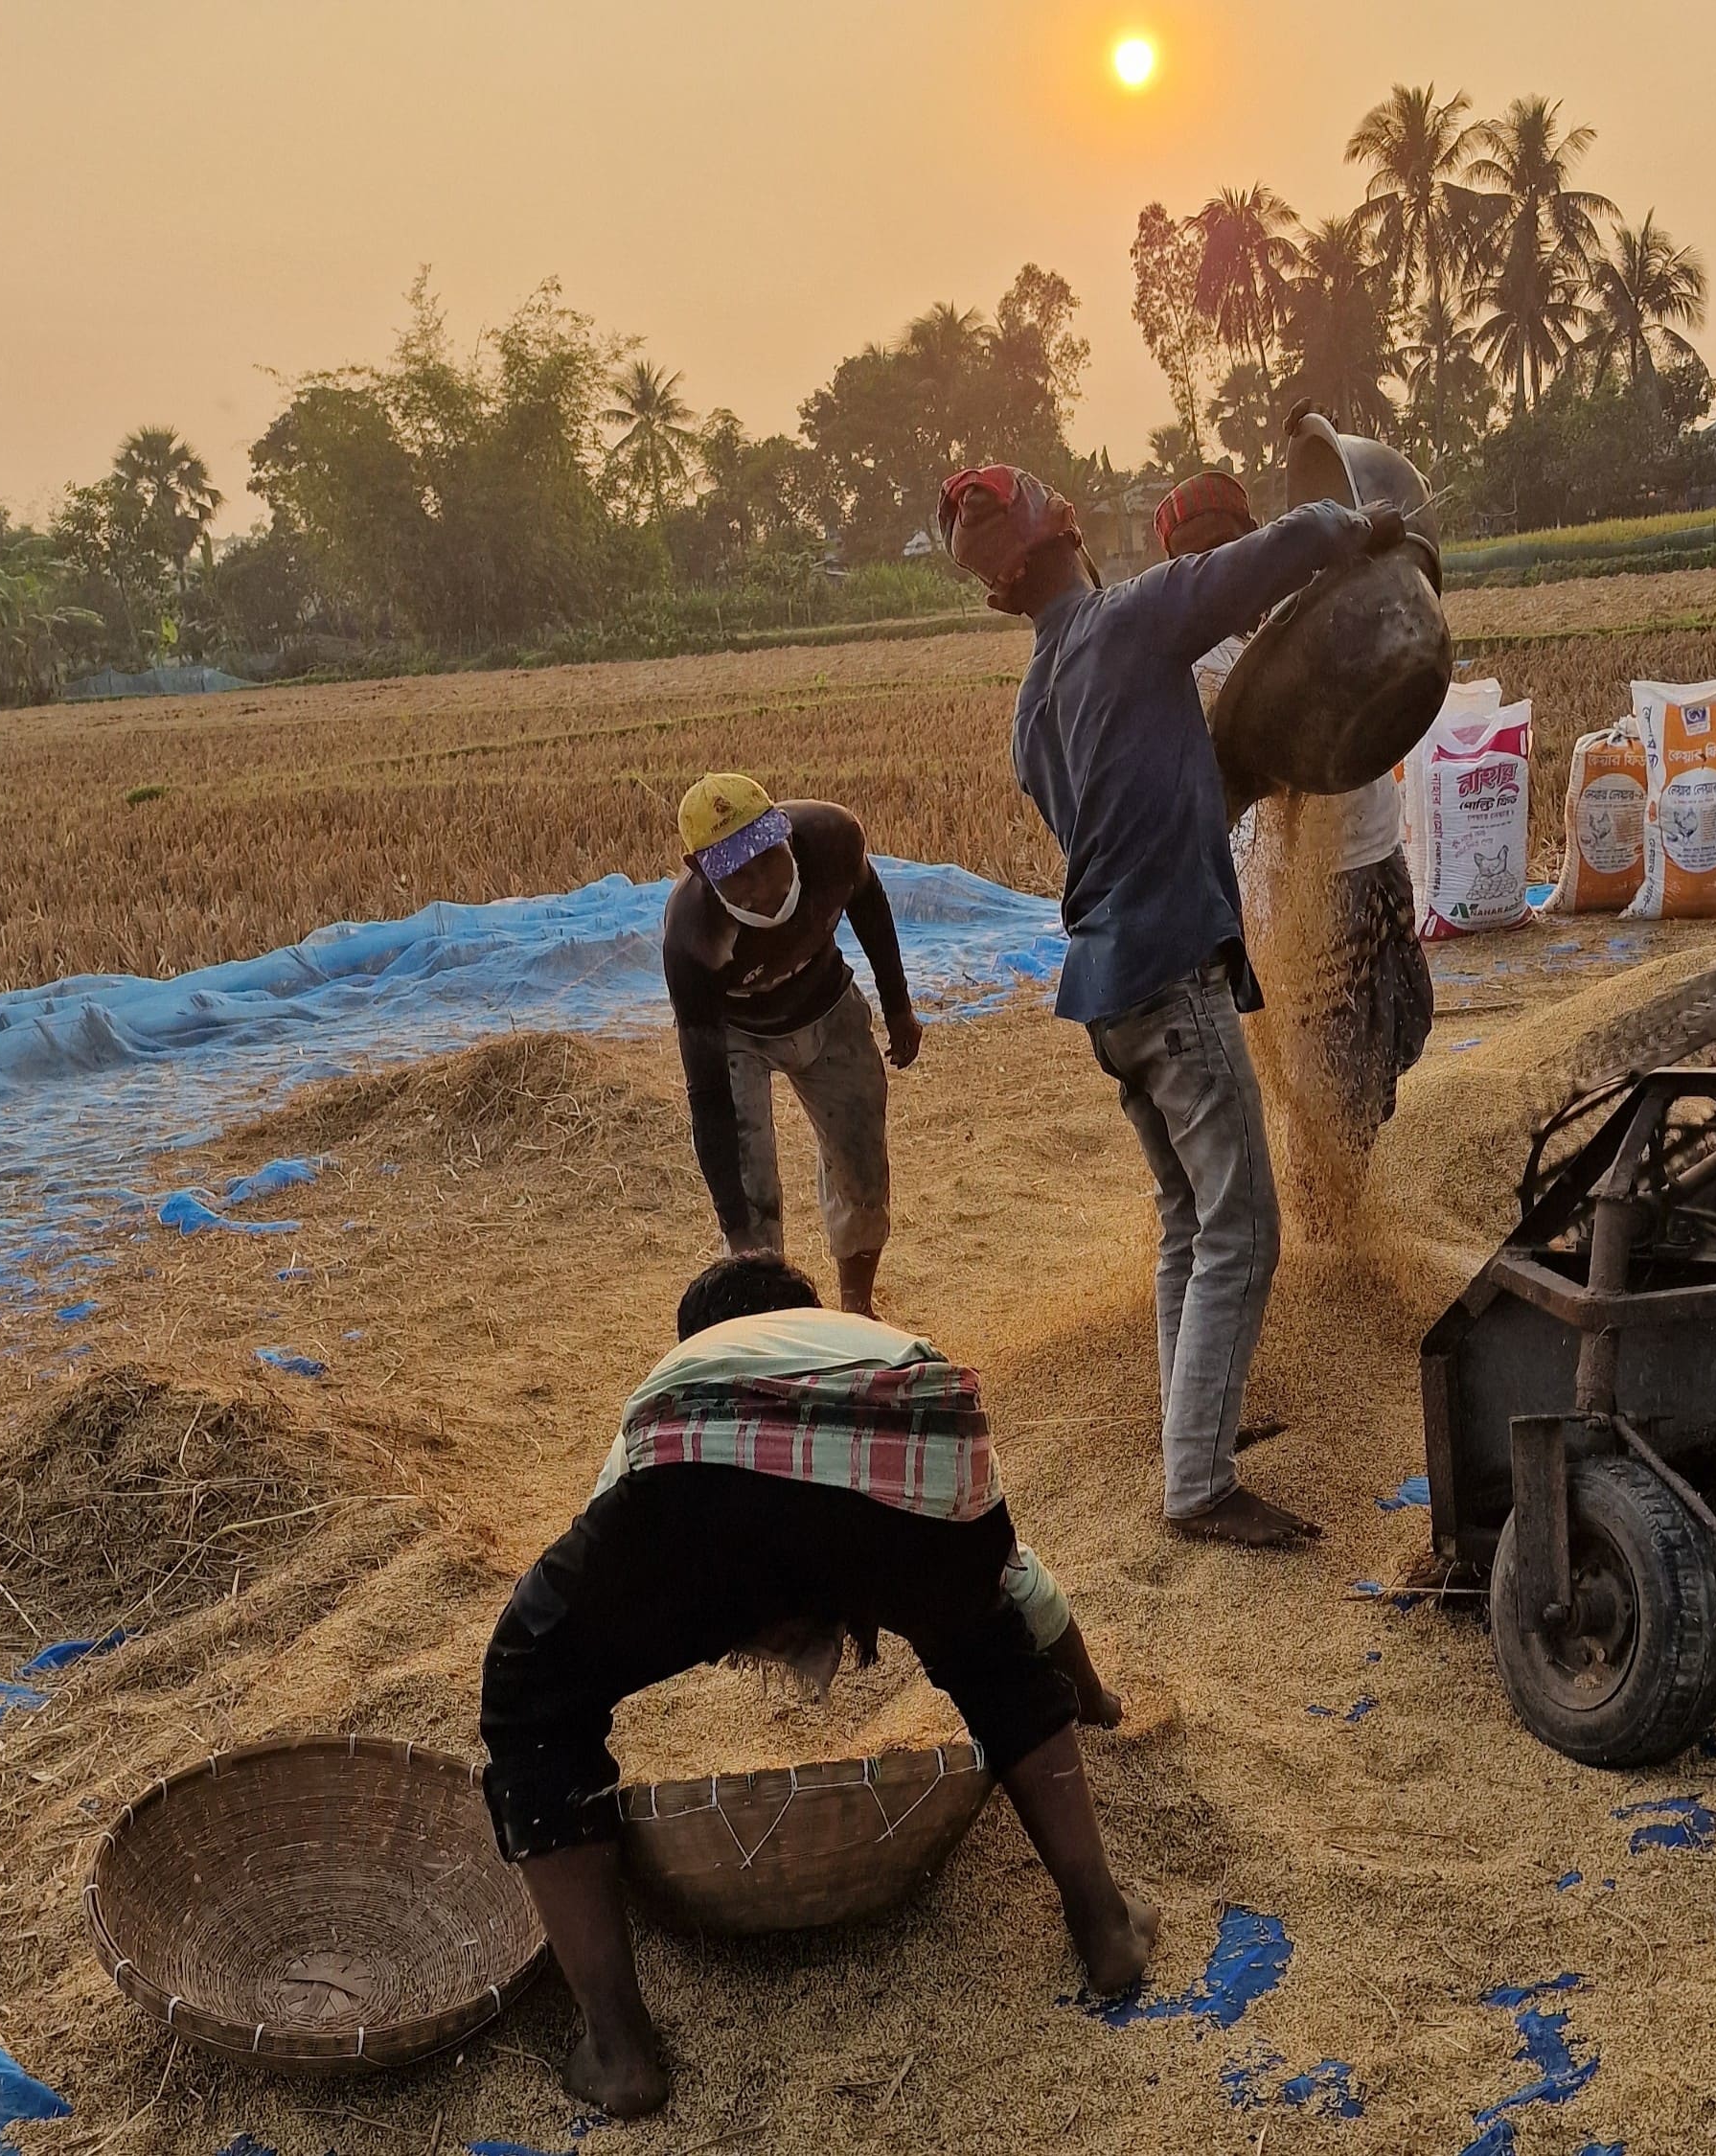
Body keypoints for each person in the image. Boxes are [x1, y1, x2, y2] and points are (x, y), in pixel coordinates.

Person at [480, 1253, 1153, 2121]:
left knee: (531, 1686)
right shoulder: (863, 1345)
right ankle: (1105, 1925)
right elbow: (1026, 1590)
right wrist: (1088, 1701)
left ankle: (618, 2050)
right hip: (926, 1433)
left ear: (699, 1340)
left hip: (698, 1467)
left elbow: (598, 1584)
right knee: (989, 1652)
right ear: (809, 1315)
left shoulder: (696, 1376)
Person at [934, 463, 1403, 1550]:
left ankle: (1197, 1431)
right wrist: (1357, 522)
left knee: (1188, 1223)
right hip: (1171, 970)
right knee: (1243, 1225)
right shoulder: (1128, 623)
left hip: (1106, 988)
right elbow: (1252, 568)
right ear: (1067, 530)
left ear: (1002, 595)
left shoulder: (1029, 714)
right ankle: (1197, 1485)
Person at [1157, 470, 1434, 1156]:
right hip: (1298, 889)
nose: (1222, 563)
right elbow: (1240, 763)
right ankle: (1329, 1220)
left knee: (1404, 1022)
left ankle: (1346, 1175)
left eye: (1231, 543)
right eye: (1201, 556)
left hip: (1373, 845)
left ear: (1253, 539)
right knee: (1331, 1074)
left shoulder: (1304, 601)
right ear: (1184, 570)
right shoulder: (1198, 660)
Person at [663, 774, 924, 1317]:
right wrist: (737, 1229)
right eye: (739, 876)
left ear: (784, 830)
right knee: (750, 1180)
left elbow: (870, 905)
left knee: (860, 1159)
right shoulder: (693, 938)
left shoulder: (832, 837)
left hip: (826, 1005)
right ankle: (769, 1318)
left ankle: (857, 1307)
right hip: (739, 1034)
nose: (765, 886)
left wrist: (897, 1004)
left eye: (769, 859)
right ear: (702, 873)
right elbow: (709, 1094)